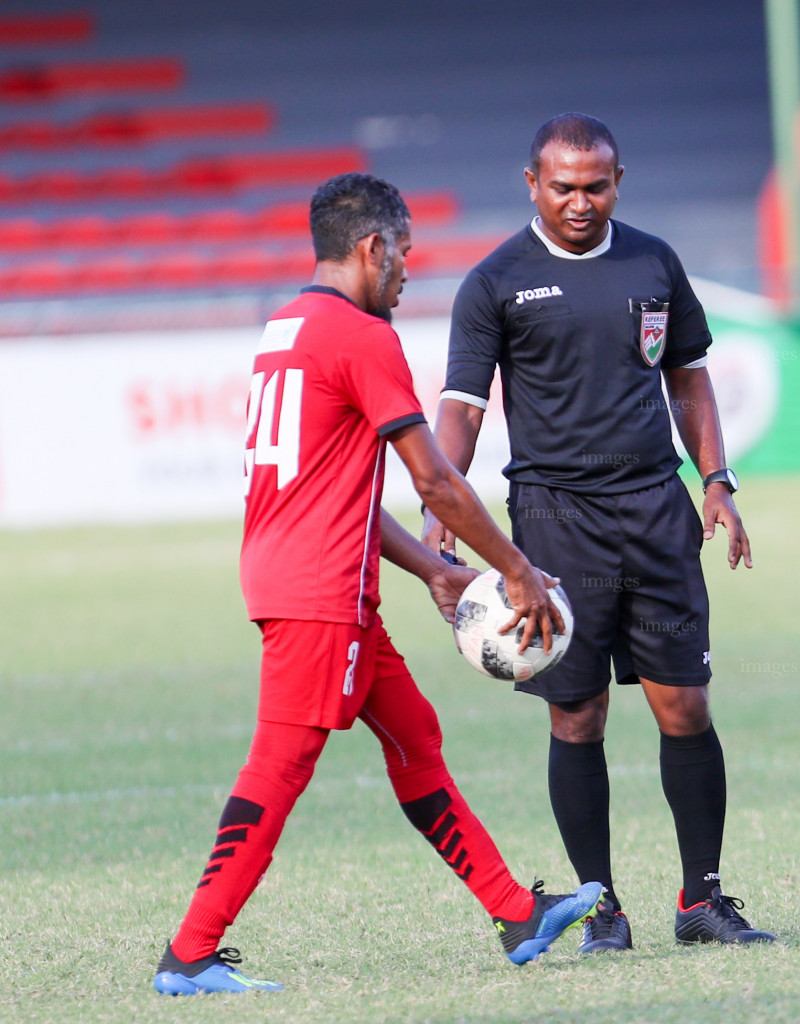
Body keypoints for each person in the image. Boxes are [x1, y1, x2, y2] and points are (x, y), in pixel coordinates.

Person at [152, 173, 602, 996]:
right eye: (401, 255)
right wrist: (516, 571)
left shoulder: (285, 327)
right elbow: (433, 481)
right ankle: (190, 953)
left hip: (315, 578)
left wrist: (434, 567)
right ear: (370, 248)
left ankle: (515, 914)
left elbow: (341, 487)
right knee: (278, 768)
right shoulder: (362, 336)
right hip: (320, 592)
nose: (405, 271)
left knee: (415, 736)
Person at [422, 113, 773, 951]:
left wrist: (715, 479)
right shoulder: (495, 281)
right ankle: (601, 908)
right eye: (563, 187)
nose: (580, 202)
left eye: (597, 186)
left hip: (656, 508)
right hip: (553, 522)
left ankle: (701, 899)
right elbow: (462, 409)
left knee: (683, 705)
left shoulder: (654, 261)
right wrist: (440, 501)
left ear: (619, 182)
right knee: (575, 716)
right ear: (532, 184)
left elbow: (687, 379)